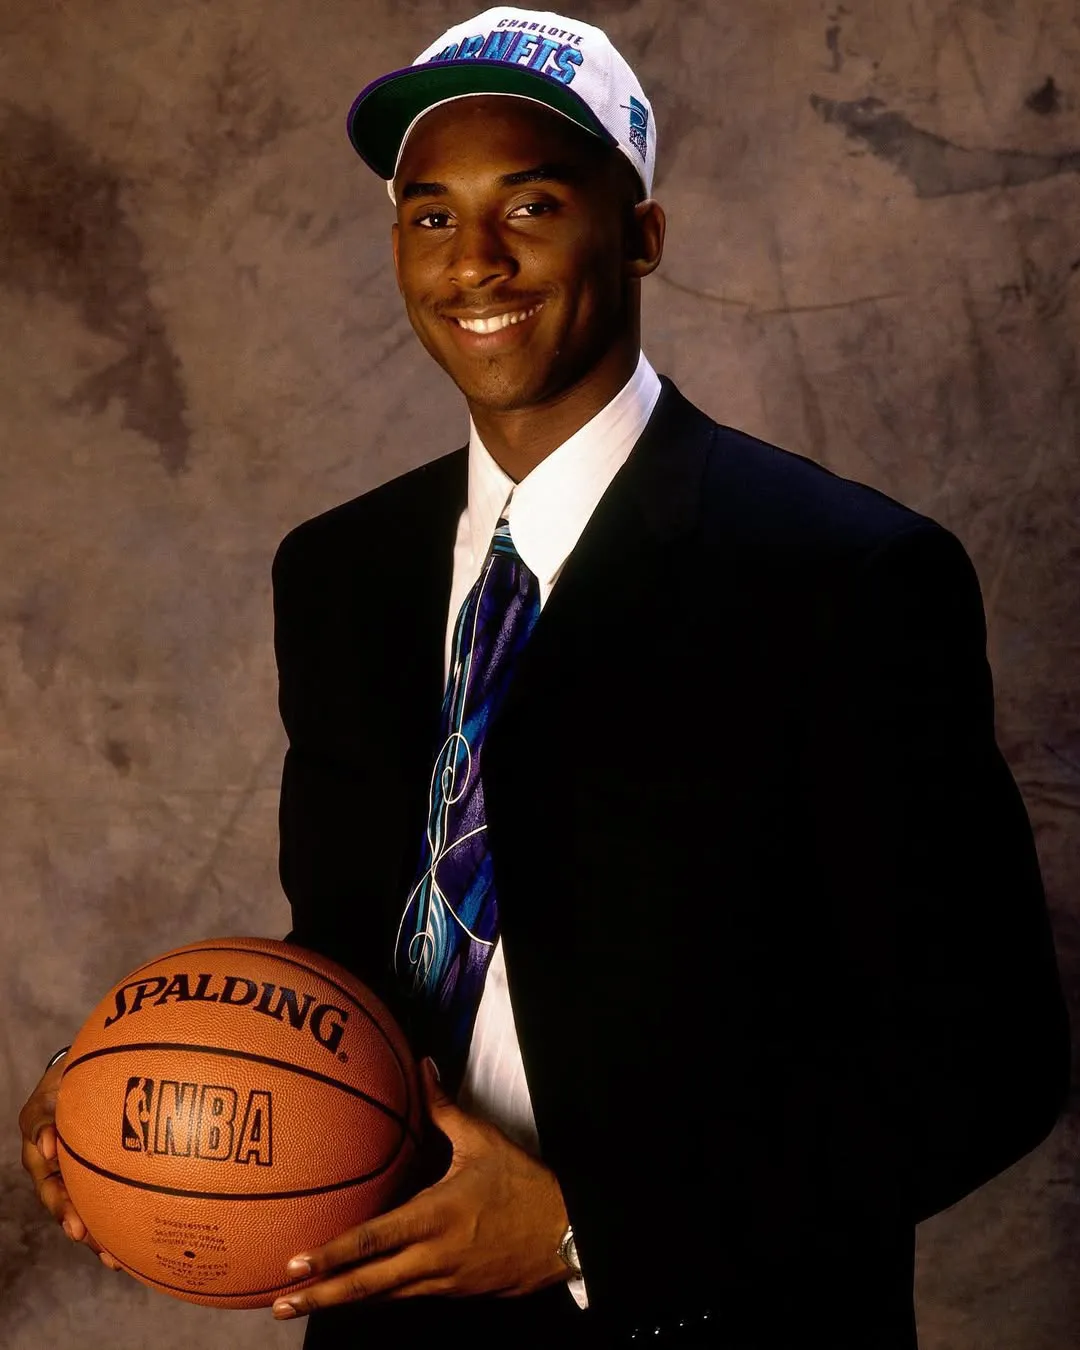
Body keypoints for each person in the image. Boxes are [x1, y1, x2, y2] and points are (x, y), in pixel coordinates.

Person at [19, 7, 1071, 1348]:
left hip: (704, 1310)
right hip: (396, 1307)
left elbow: (986, 1063)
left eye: (531, 203)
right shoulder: (343, 574)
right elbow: (360, 954)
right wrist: (131, 1078)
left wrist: (590, 1227)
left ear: (640, 235)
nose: (476, 260)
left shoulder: (846, 575)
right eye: (429, 215)